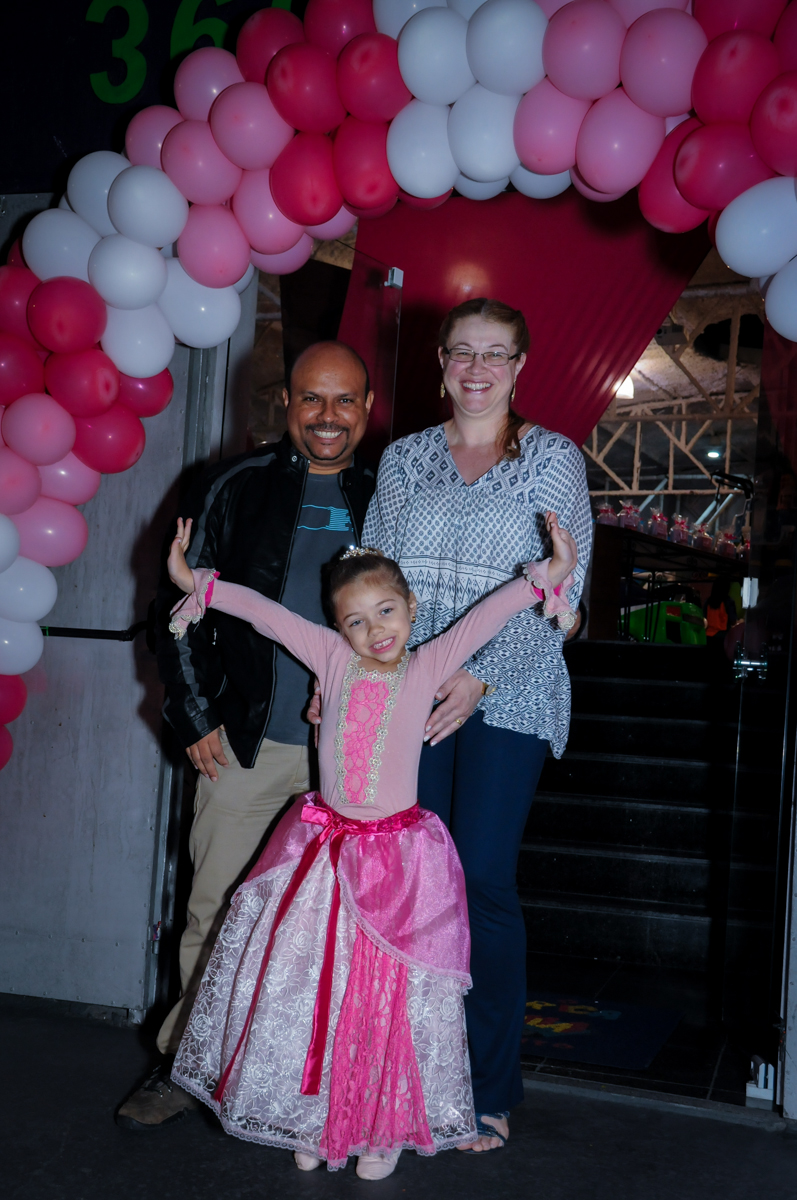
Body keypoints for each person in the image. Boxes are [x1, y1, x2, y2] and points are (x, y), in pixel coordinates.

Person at [164, 506, 577, 1178]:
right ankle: (317, 1116)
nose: (373, 631)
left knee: (382, 999)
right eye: (355, 621)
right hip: (325, 855)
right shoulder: (330, 659)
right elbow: (266, 614)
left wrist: (543, 578)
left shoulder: (428, 662)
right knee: (317, 990)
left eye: (385, 612)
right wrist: (199, 583)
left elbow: (485, 616)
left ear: (410, 608)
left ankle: (379, 1127)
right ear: (337, 628)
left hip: (395, 861)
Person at [117, 342, 375, 1130]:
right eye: (310, 400)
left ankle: (313, 1079)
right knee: (219, 911)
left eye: (343, 401)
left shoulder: (393, 493)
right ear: (285, 404)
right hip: (246, 743)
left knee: (340, 929)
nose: (326, 417)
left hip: (356, 753)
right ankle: (185, 1065)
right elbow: (177, 604)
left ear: (366, 408)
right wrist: (195, 716)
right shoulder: (234, 484)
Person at [360, 298, 592, 1152]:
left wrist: (482, 677)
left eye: (496, 353)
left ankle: (488, 1086)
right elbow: (368, 577)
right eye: (464, 351)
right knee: (412, 890)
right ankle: (414, 1071)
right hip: (408, 695)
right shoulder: (403, 460)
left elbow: (563, 596)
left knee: (482, 880)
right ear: (441, 360)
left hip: (512, 692)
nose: (478, 367)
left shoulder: (552, 462)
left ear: (521, 364)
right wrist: (365, 676)